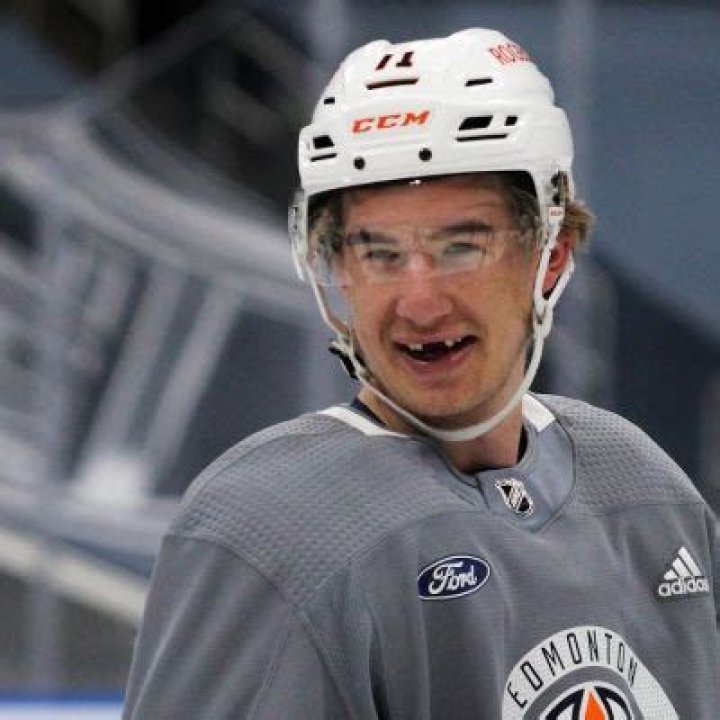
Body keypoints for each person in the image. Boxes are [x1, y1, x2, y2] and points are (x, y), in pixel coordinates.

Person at [122, 28, 719, 719]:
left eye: (461, 247)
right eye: (379, 254)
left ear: (550, 256)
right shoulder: (272, 525)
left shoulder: (641, 485)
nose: (420, 302)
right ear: (338, 269)